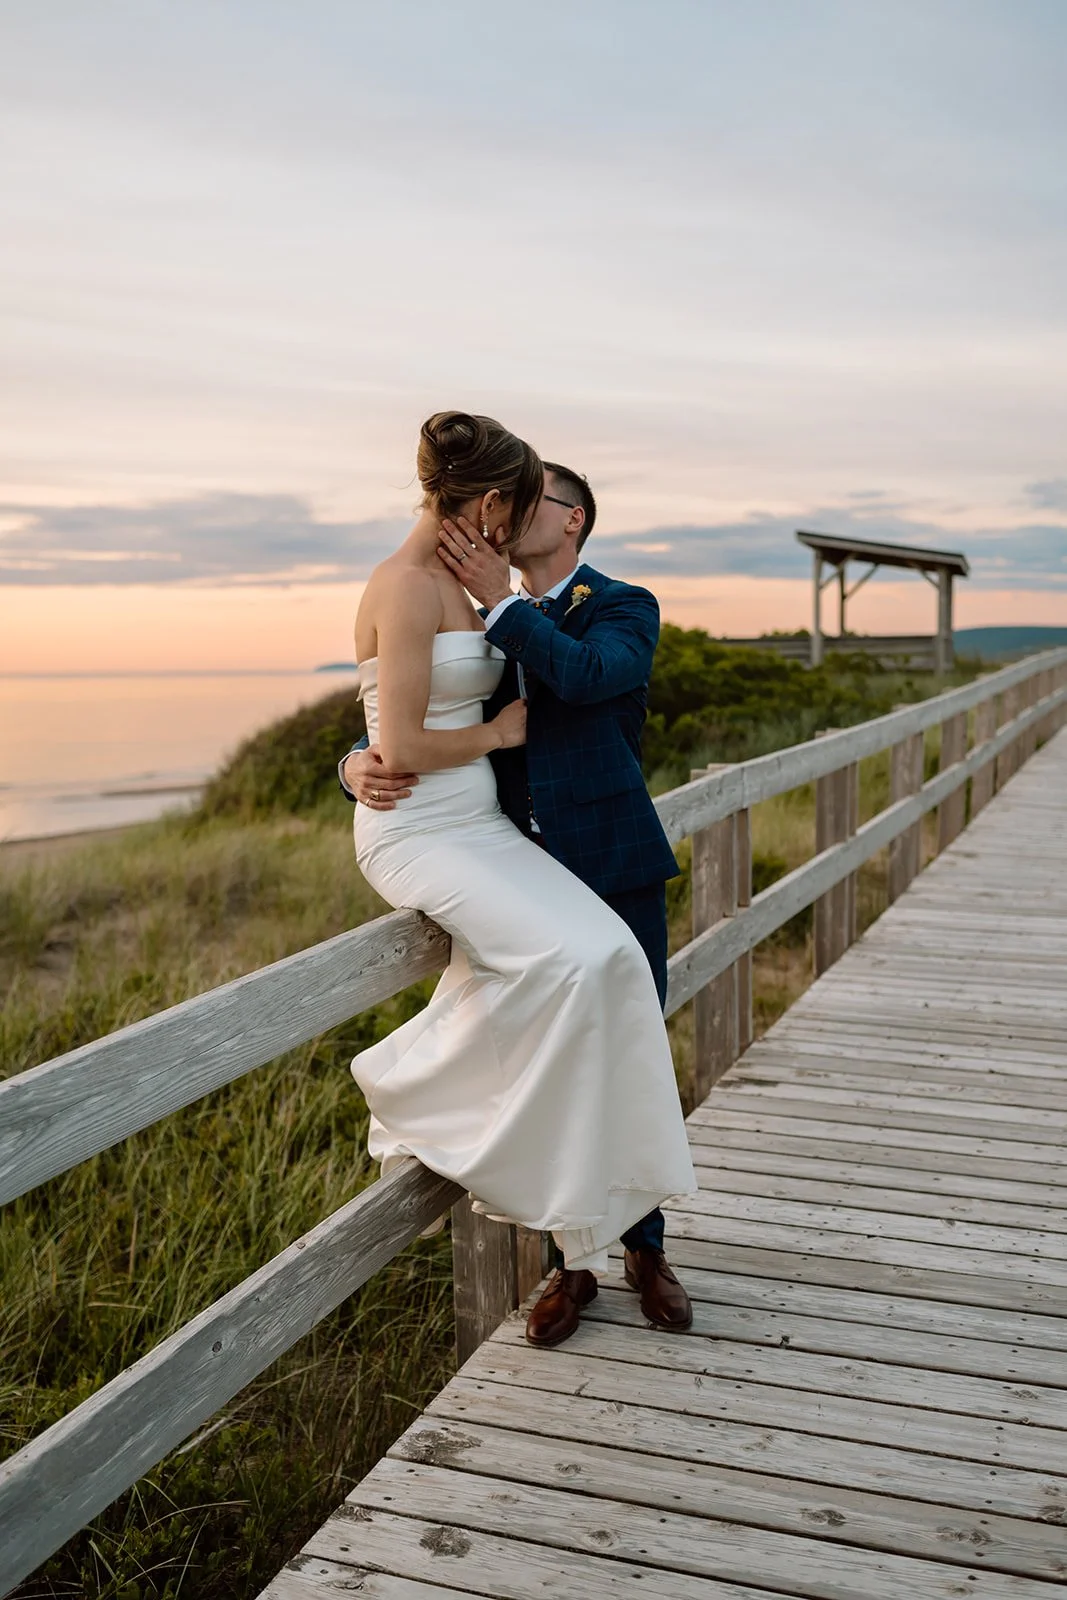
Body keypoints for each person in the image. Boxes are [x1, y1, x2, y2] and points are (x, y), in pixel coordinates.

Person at [342, 424, 695, 1346]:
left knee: (621, 1040)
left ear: (569, 520)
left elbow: (579, 680)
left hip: (607, 859)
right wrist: (356, 765)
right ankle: (568, 1266)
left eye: (539, 500)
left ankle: (645, 1250)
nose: (514, 516)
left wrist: (504, 607)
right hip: (501, 846)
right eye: (515, 496)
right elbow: (403, 705)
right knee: (562, 1036)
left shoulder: (621, 606)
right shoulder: (452, 593)